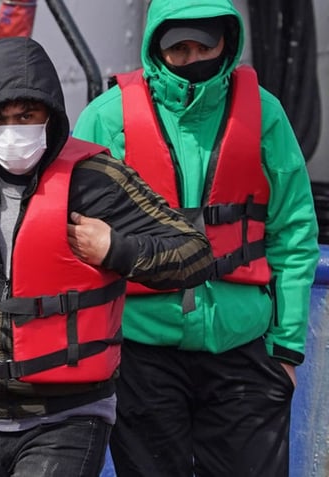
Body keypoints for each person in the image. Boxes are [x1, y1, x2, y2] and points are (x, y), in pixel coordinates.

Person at [0, 36, 215, 477]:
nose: (12, 130)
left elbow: (194, 251)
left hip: (69, 415)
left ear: (50, 115)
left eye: (26, 116)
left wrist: (116, 248)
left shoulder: (96, 179)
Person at [72, 1, 320, 475]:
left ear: (227, 40)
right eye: (178, 48)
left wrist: (285, 353)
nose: (191, 59)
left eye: (204, 45)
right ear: (154, 46)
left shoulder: (265, 115)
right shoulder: (106, 119)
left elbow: (294, 230)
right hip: (142, 356)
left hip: (245, 351)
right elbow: (75, 239)